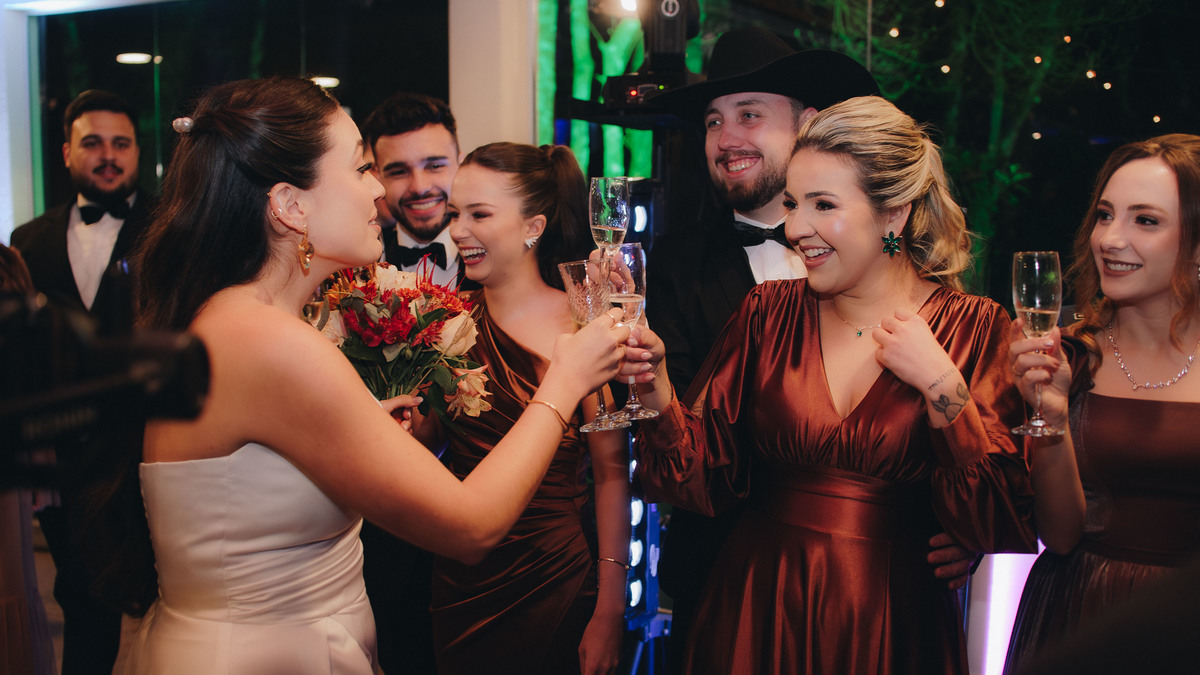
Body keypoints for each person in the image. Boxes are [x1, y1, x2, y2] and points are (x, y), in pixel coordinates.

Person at [108, 76, 629, 674]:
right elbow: (472, 527)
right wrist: (564, 381)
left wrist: (364, 428)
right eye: (360, 168)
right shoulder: (270, 342)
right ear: (291, 206)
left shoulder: (239, 321)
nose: (379, 190)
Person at [621, 96, 1037, 674]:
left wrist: (942, 384)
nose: (796, 229)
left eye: (823, 205)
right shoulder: (768, 312)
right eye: (793, 204)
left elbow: (1000, 516)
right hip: (756, 609)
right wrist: (655, 381)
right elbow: (700, 476)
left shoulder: (975, 328)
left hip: (891, 621)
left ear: (894, 215)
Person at [416, 141, 629, 674]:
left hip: (553, 576)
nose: (458, 230)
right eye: (455, 214)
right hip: (461, 580)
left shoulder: (581, 323)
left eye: (479, 214)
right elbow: (433, 444)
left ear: (533, 227)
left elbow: (610, 473)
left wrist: (609, 607)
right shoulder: (444, 323)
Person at [1003, 134, 1200, 673]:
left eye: (1146, 220)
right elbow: (1061, 534)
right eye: (1105, 215)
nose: (1110, 239)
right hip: (1079, 616)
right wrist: (1052, 418)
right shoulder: (1067, 354)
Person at [10, 88, 151, 675]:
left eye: (121, 143)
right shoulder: (26, 241)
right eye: (93, 143)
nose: (108, 155)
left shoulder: (170, 229)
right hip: (63, 458)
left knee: (158, 599)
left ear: (138, 151)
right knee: (77, 594)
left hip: (147, 451)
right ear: (67, 152)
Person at [361, 92, 464, 288]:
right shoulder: (359, 267)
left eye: (435, 166)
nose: (420, 188)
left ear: (461, 165)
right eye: (399, 172)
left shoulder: (499, 258)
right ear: (379, 176)